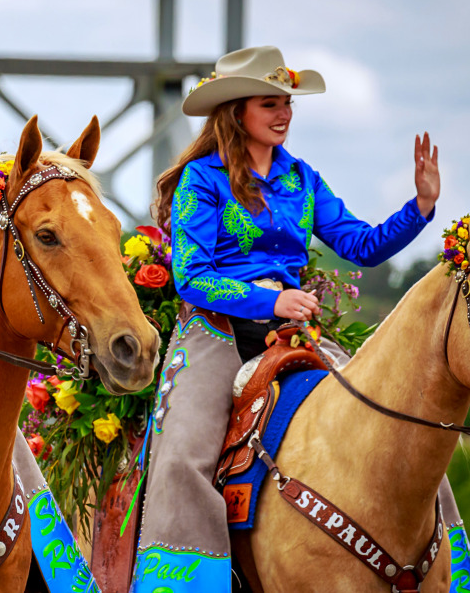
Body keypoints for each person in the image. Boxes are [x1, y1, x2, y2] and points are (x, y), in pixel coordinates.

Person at [133, 46, 443, 592]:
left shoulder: (302, 178)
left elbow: (361, 245)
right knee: (182, 456)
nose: (284, 114)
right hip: (214, 331)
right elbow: (191, 275)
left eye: (288, 103)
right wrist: (271, 300)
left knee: (399, 417)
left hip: (292, 334)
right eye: (270, 103)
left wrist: (418, 207)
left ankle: (446, 568)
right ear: (236, 112)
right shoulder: (202, 180)